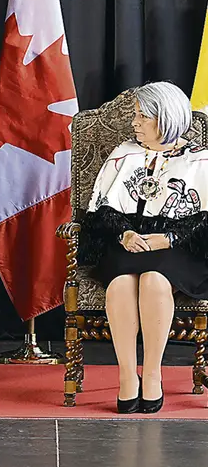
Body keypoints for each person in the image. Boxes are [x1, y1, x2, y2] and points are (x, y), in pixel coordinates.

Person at [79, 81, 208, 414]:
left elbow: (204, 219)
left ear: (165, 119)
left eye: (142, 117)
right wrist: (124, 233)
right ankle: (127, 377)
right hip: (128, 242)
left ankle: (152, 374)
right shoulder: (124, 154)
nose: (134, 123)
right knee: (121, 284)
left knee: (153, 279)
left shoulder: (199, 160)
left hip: (177, 247)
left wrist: (170, 238)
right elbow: (102, 208)